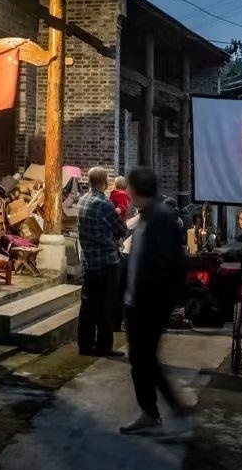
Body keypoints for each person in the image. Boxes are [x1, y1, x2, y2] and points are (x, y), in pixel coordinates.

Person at [121, 166, 189, 433]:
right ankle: (158, 410)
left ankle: (156, 412)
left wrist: (163, 300)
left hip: (149, 303)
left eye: (129, 187)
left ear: (135, 189)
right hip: (137, 301)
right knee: (143, 359)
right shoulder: (147, 216)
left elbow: (172, 265)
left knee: (143, 359)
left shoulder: (161, 218)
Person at [76, 167, 127, 358]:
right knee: (106, 306)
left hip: (88, 261)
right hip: (106, 261)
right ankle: (103, 347)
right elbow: (121, 229)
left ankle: (85, 346)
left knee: (87, 305)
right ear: (105, 183)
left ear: (89, 181)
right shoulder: (104, 204)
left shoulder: (82, 200)